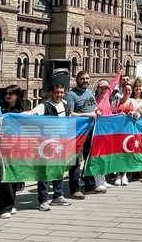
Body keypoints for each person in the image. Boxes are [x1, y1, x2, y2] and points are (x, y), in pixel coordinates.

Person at [31, 84, 73, 211]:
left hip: (60, 144)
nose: (59, 95)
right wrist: (14, 116)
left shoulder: (65, 105)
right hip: (45, 144)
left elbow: (70, 119)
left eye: (61, 92)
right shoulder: (44, 106)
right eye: (57, 92)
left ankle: (58, 196)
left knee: (58, 169)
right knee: (43, 171)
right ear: (51, 92)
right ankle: (43, 200)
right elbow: (32, 113)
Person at [64, 70, 104, 199]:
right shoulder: (71, 95)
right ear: (77, 79)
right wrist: (88, 115)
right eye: (82, 79)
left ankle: (90, 185)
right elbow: (69, 114)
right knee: (76, 161)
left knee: (90, 158)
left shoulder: (90, 92)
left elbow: (94, 107)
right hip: (78, 132)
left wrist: (97, 111)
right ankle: (74, 189)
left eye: (87, 78)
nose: (85, 81)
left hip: (91, 130)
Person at [0, 85, 29, 219]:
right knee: (4, 177)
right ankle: (3, 209)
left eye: (11, 94)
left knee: (14, 176)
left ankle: (10, 203)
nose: (8, 96)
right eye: (6, 94)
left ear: (18, 95)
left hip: (16, 148)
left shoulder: (23, 109)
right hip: (0, 147)